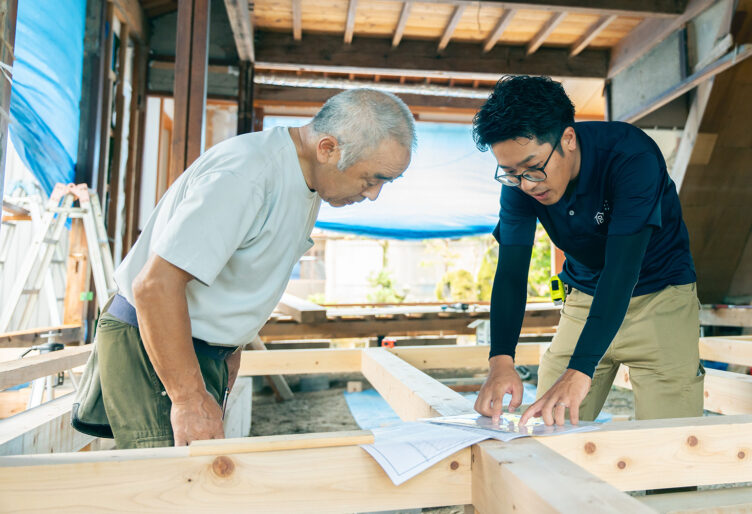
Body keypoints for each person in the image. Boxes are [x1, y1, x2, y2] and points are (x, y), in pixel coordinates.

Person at [73, 89, 415, 448]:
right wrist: (188, 398)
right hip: (158, 339)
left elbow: (239, 273)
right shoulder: (248, 174)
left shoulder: (307, 180)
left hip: (198, 346)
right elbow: (154, 286)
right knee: (175, 491)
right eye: (371, 179)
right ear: (327, 148)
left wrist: (231, 347)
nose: (373, 194)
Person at [472, 75, 703, 426]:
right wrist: (500, 359)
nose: (526, 184)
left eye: (534, 168)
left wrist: (580, 369)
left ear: (568, 139)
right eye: (510, 172)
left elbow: (622, 269)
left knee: (671, 441)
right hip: (584, 298)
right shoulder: (520, 182)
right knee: (545, 432)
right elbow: (511, 272)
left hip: (660, 297)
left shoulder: (630, 156)